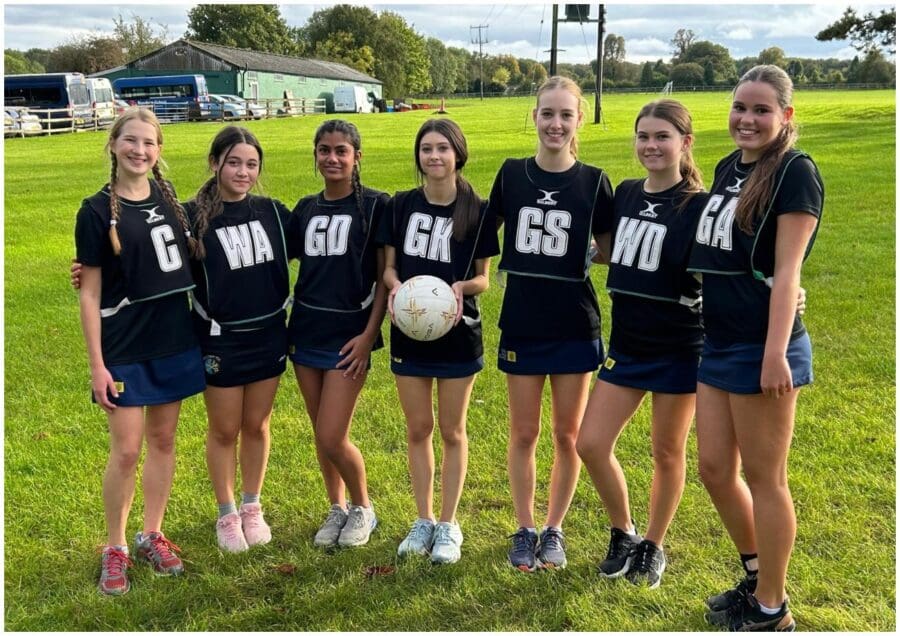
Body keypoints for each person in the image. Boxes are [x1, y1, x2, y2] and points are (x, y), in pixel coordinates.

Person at [688, 65, 823, 631]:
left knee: (766, 478)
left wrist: (775, 354)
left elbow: (788, 271)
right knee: (716, 469)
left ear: (785, 116)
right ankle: (755, 575)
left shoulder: (796, 172)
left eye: (762, 110)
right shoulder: (726, 167)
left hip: (763, 347)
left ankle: (773, 607)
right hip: (718, 341)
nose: (747, 118)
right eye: (740, 106)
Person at [75, 108, 205, 595]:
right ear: (113, 144)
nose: (139, 151)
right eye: (130, 141)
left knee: (164, 441)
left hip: (174, 339)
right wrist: (97, 365)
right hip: (125, 346)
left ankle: (152, 533)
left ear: (159, 150)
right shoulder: (94, 211)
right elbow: (88, 292)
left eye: (149, 144)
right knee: (127, 449)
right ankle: (115, 547)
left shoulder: (175, 204)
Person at [576, 99, 705, 588]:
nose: (651, 146)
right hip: (627, 344)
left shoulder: (700, 205)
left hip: (679, 346)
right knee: (590, 443)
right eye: (644, 137)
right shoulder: (626, 192)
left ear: (684, 143)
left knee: (666, 452)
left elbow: (728, 269)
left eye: (662, 137)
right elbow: (611, 251)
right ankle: (623, 531)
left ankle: (653, 544)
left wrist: (787, 290)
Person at [488, 76, 614, 571]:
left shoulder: (594, 181)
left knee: (568, 435)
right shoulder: (511, 174)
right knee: (523, 433)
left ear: (578, 118)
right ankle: (524, 528)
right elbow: (477, 234)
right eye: (547, 114)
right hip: (522, 320)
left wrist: (585, 253)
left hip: (574, 322)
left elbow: (612, 251)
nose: (555, 123)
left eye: (565, 114)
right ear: (534, 117)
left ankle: (554, 529)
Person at [378, 118, 498, 564]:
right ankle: (423, 518)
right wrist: (396, 287)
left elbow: (484, 279)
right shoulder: (402, 204)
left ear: (457, 154)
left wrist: (457, 292)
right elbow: (389, 269)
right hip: (410, 327)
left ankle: (448, 524)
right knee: (417, 429)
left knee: (451, 430)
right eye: (426, 148)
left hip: (457, 332)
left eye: (442, 148)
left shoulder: (477, 209)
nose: (434, 156)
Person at [184, 125, 297, 553]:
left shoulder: (272, 213)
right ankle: (226, 513)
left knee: (257, 424)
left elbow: (329, 248)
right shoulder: (191, 216)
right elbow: (149, 257)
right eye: (234, 162)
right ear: (215, 164)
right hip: (220, 340)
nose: (243, 171)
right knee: (225, 429)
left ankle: (252, 505)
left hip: (268, 334)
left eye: (251, 164)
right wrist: (92, 270)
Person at [288, 119, 388, 548]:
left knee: (333, 433)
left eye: (341, 151)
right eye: (324, 150)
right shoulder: (305, 209)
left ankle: (364, 507)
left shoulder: (375, 206)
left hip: (350, 337)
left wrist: (369, 335)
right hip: (305, 331)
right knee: (320, 433)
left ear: (356, 157)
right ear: (315, 155)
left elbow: (386, 278)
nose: (332, 158)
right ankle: (337, 506)